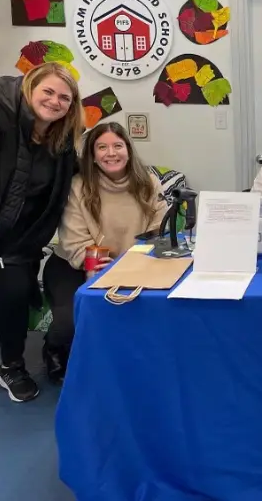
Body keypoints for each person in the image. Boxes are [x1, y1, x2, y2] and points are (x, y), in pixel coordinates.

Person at [42, 122, 168, 383]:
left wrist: (138, 262)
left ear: (129, 150)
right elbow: (75, 239)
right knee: (71, 319)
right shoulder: (78, 186)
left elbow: (160, 227)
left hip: (133, 261)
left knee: (147, 311)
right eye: (102, 147)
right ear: (93, 155)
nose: (111, 153)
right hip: (75, 264)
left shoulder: (148, 182)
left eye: (117, 146)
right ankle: (54, 348)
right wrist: (97, 270)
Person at [0, 62, 83, 403]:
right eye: (48, 91)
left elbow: (76, 179)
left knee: (14, 295)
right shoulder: (3, 118)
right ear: (30, 87)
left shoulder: (61, 144)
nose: (55, 101)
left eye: (64, 97)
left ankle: (11, 365)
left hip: (22, 239)